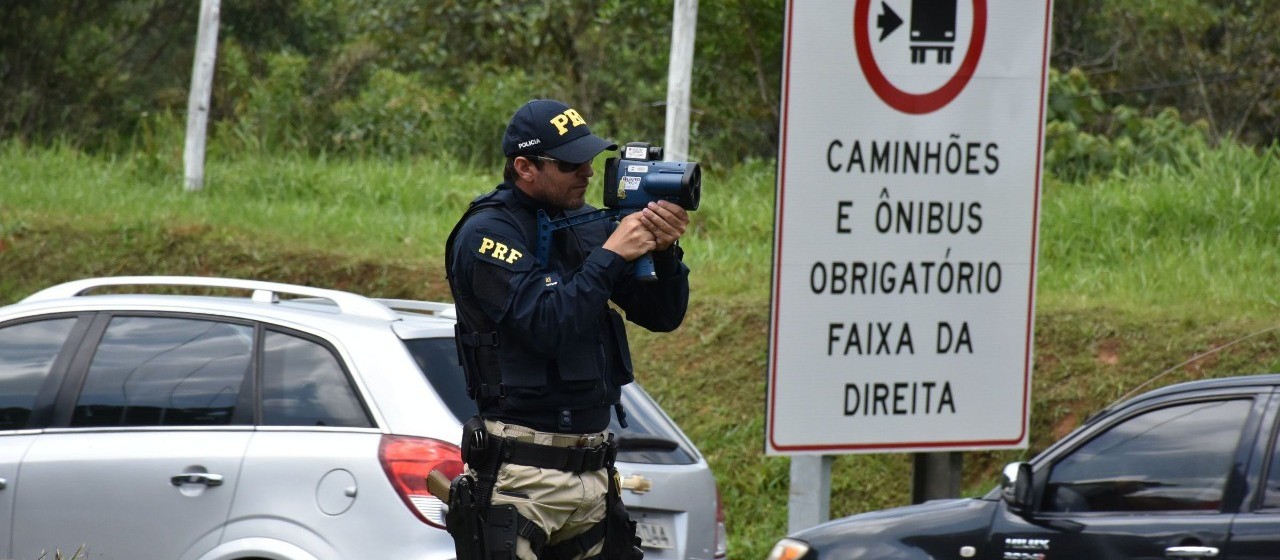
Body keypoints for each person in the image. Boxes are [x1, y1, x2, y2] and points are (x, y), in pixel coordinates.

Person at [443, 99, 690, 560]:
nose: (587, 173)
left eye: (590, 160)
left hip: (595, 475)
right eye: (571, 163)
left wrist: (665, 253)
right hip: (522, 479)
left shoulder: (587, 225)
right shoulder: (487, 234)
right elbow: (546, 325)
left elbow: (663, 316)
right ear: (525, 167)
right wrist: (613, 255)